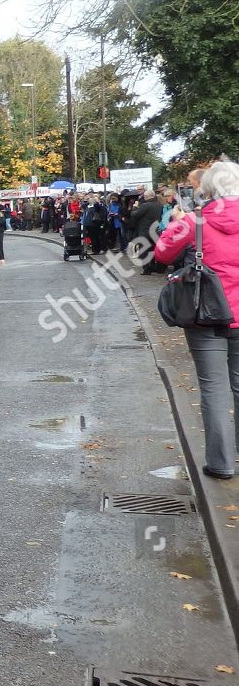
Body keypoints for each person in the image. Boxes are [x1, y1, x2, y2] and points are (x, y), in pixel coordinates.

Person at [154, 163, 239, 478]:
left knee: (213, 386)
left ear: (208, 188)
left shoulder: (194, 220)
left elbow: (162, 254)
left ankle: (221, 462)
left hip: (206, 312)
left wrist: (174, 225)